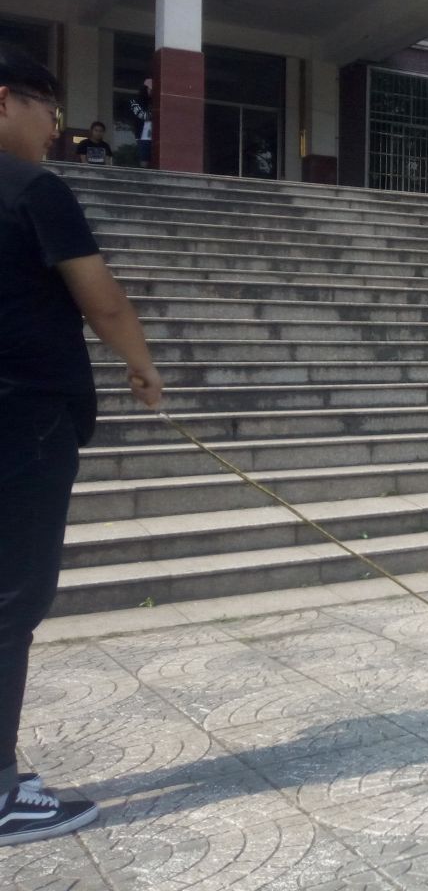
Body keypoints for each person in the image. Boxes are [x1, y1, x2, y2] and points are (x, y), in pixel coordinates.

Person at [0, 48, 163, 846]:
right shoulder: (33, 188)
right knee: (12, 601)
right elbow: (102, 299)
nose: (56, 130)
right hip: (24, 418)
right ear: (5, 101)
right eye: (49, 111)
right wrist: (142, 367)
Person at [129, 81, 153, 168]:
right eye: (151, 89)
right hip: (143, 137)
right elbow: (143, 115)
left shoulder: (155, 102)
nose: (152, 92)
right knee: (144, 160)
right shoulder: (134, 102)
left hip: (155, 137)